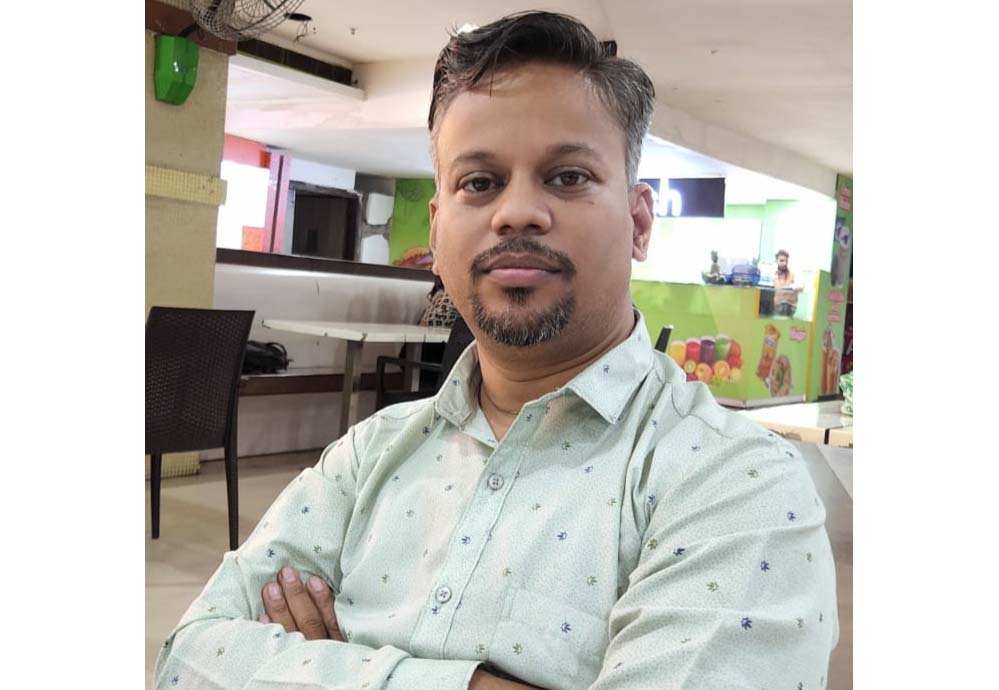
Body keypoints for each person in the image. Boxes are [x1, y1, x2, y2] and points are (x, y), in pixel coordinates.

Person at [156, 12, 838, 690]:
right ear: (437, 229)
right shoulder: (368, 456)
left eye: (567, 177)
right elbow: (188, 658)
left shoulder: (736, 481)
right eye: (479, 183)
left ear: (637, 222)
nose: (516, 213)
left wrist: (326, 669)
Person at [772, 249, 803, 317]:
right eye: (782, 261)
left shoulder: (793, 274)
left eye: (786, 261)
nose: (784, 263)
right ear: (776, 261)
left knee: (785, 306)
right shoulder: (773, 275)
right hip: (777, 307)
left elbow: (801, 286)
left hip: (790, 307)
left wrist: (791, 287)